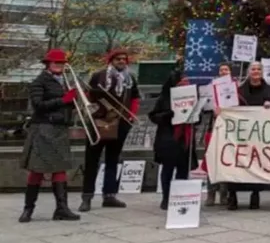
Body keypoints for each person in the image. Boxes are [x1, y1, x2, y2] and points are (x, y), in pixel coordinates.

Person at [19, 49, 80, 222]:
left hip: (59, 128)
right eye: (56, 63)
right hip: (43, 127)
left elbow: (67, 104)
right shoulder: (39, 81)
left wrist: (76, 100)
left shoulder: (65, 81)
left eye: (62, 63)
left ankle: (62, 208)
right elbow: (38, 105)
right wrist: (64, 100)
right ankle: (28, 209)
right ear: (48, 64)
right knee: (37, 169)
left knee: (60, 168)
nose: (59, 66)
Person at [79, 49, 140, 212]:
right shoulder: (98, 76)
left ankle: (109, 195)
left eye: (124, 59)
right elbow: (87, 97)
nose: (122, 61)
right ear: (111, 60)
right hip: (99, 122)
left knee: (113, 159)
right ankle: (87, 197)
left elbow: (135, 97)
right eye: (118, 59)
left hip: (120, 123)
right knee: (92, 160)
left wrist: (131, 115)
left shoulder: (130, 78)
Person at [223, 61, 270, 210]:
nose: (255, 71)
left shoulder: (269, 90)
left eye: (258, 69)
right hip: (240, 135)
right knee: (236, 164)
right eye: (253, 69)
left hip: (259, 135)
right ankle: (232, 196)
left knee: (256, 163)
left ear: (262, 72)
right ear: (249, 72)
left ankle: (255, 195)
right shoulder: (239, 90)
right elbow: (229, 105)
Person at [148, 62, 199, 210]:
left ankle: (178, 196)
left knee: (183, 170)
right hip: (168, 139)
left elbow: (199, 118)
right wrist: (167, 115)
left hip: (185, 139)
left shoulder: (193, 98)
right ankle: (166, 197)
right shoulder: (164, 98)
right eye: (182, 81)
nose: (185, 84)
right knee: (168, 169)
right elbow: (153, 116)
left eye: (187, 82)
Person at [204, 63, 232, 207]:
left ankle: (223, 194)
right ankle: (211, 193)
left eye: (226, 69)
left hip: (229, 130)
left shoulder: (235, 87)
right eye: (221, 69)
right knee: (212, 161)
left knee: (226, 162)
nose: (223, 71)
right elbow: (205, 106)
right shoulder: (211, 87)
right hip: (213, 128)